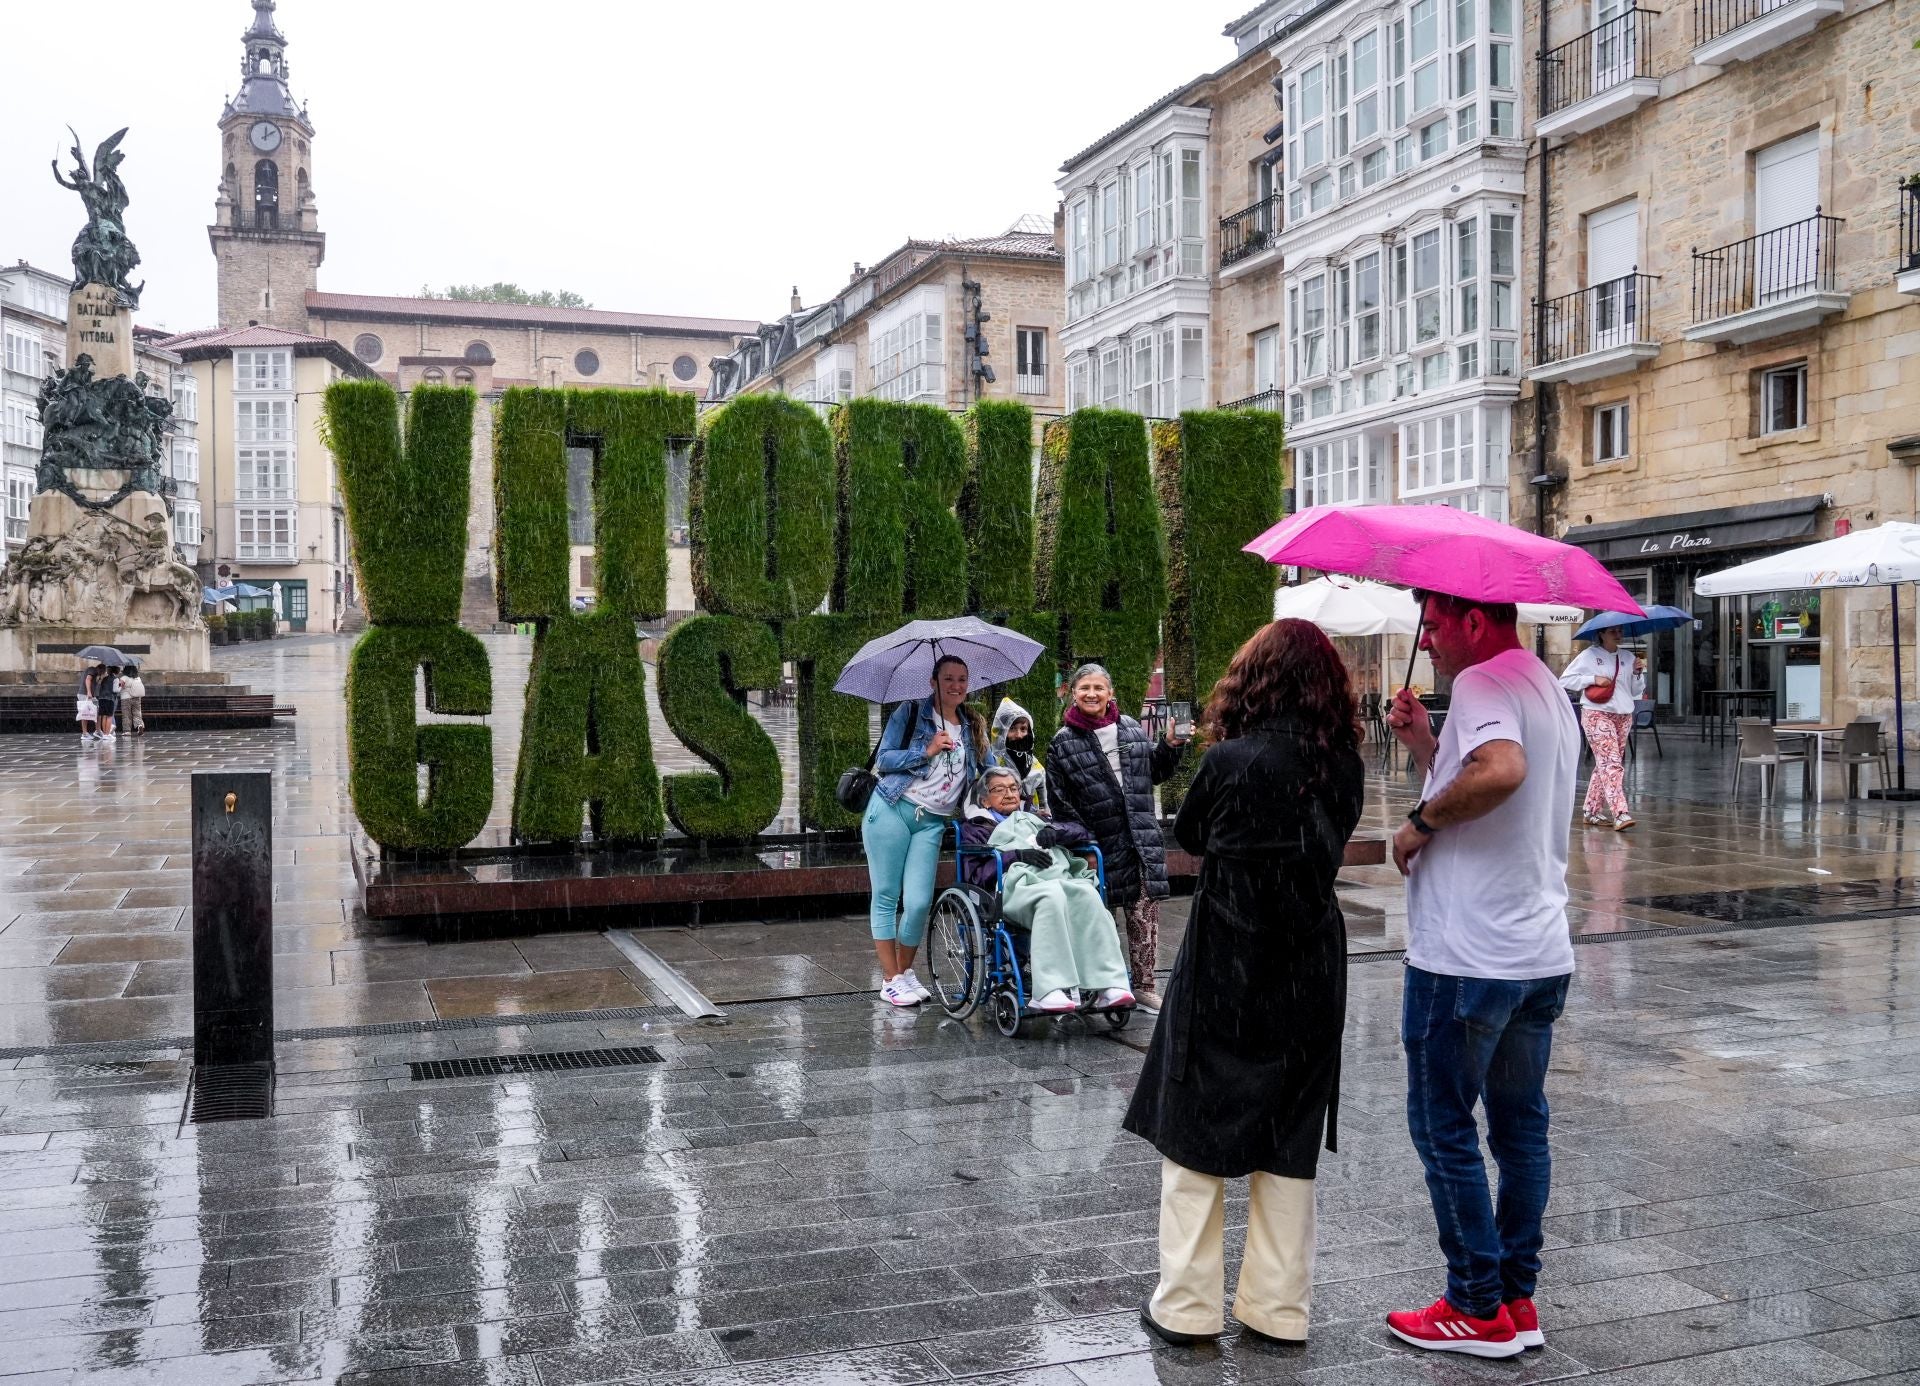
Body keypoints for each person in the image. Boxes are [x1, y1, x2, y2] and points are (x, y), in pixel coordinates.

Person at [1126, 619, 1366, 1348]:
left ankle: (1188, 1306)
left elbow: (1192, 836)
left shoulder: (1231, 761)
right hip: (1310, 964)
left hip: (1230, 956)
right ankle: (1277, 1307)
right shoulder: (1343, 763)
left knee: (1196, 1121)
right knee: (1287, 1132)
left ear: (1252, 681)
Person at [1382, 591, 1579, 1359]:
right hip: (1537, 951)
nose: (1427, 639)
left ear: (1472, 620)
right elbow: (1500, 785)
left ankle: (1474, 1303)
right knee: (1521, 1128)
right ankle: (1516, 1298)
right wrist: (1428, 747)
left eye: (1433, 624)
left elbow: (1501, 769)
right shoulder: (1544, 685)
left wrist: (1417, 823)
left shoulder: (1483, 680)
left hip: (1468, 955)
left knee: (1441, 1124)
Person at [1046, 663, 1187, 1012]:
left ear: (1111, 694)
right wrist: (1085, 844)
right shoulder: (1062, 743)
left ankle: (1144, 985)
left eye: (1098, 688)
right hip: (1098, 846)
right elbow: (1060, 803)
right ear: (1073, 695)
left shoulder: (1130, 729)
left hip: (1140, 839)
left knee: (1144, 917)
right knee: (1098, 919)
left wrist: (1170, 745)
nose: (1091, 694)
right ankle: (1098, 985)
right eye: (1084, 688)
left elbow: (1153, 772)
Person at [863, 654, 991, 1008]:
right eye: (948, 678)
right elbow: (884, 760)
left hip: (932, 822)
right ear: (933, 681)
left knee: (919, 902)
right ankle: (889, 979)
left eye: (962, 679)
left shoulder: (972, 724)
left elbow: (989, 770)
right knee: (887, 896)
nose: (956, 685)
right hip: (892, 809)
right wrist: (927, 749)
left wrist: (1016, 788)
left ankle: (903, 975)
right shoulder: (910, 713)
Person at [960, 766, 1132, 1012]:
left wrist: (1054, 832)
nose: (1009, 794)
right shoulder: (976, 829)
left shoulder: (1037, 818)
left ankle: (1110, 984)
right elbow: (975, 874)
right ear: (984, 800)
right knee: (1050, 897)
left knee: (1087, 895)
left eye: (1013, 788)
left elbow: (1079, 830)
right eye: (999, 790)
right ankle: (1049, 989)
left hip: (1057, 878)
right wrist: (1015, 854)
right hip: (1014, 888)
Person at [1560, 628, 1645, 830]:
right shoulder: (1589, 656)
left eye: (1619, 630)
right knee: (1611, 763)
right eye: (1612, 631)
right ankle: (1620, 812)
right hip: (1596, 713)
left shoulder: (1628, 656)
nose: (1617, 634)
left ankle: (1591, 810)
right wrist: (1592, 679)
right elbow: (1564, 680)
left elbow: (1635, 691)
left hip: (1623, 715)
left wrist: (1637, 674)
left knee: (1604, 765)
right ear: (1601, 634)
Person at [990, 696, 1047, 812]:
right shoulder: (992, 763)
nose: (1018, 735)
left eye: (1023, 729)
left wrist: (1043, 810)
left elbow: (1044, 803)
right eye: (1012, 729)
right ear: (1002, 732)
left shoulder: (1035, 765)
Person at [90, 665, 118, 741]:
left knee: (104, 716)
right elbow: (115, 690)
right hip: (110, 699)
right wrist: (120, 686)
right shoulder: (115, 679)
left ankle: (104, 734)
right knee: (109, 716)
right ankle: (107, 734)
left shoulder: (103, 678)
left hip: (101, 698)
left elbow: (98, 684)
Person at [118, 667, 146, 737]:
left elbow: (119, 685)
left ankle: (127, 731)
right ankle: (139, 725)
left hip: (126, 698)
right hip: (136, 698)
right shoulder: (138, 678)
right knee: (137, 713)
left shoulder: (124, 677)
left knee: (126, 715)